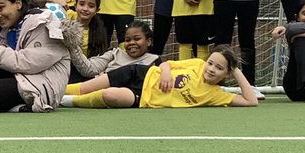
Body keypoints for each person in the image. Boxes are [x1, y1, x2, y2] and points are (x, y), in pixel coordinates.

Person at [59, 46, 258, 109]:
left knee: (111, 96)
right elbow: (166, 64)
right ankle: (53, 90)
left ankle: (67, 102)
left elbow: (251, 101)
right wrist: (165, 72)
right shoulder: (197, 63)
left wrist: (237, 70)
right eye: (211, 63)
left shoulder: (216, 95)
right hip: (139, 73)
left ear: (226, 74)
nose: (212, 69)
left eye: (220, 68)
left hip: (143, 98)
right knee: (85, 87)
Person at [64, 20, 159, 83]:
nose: (131, 43)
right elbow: (89, 69)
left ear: (149, 41)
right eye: (127, 40)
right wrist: (73, 45)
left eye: (137, 39)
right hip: (96, 88)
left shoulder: (154, 61)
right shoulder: (114, 53)